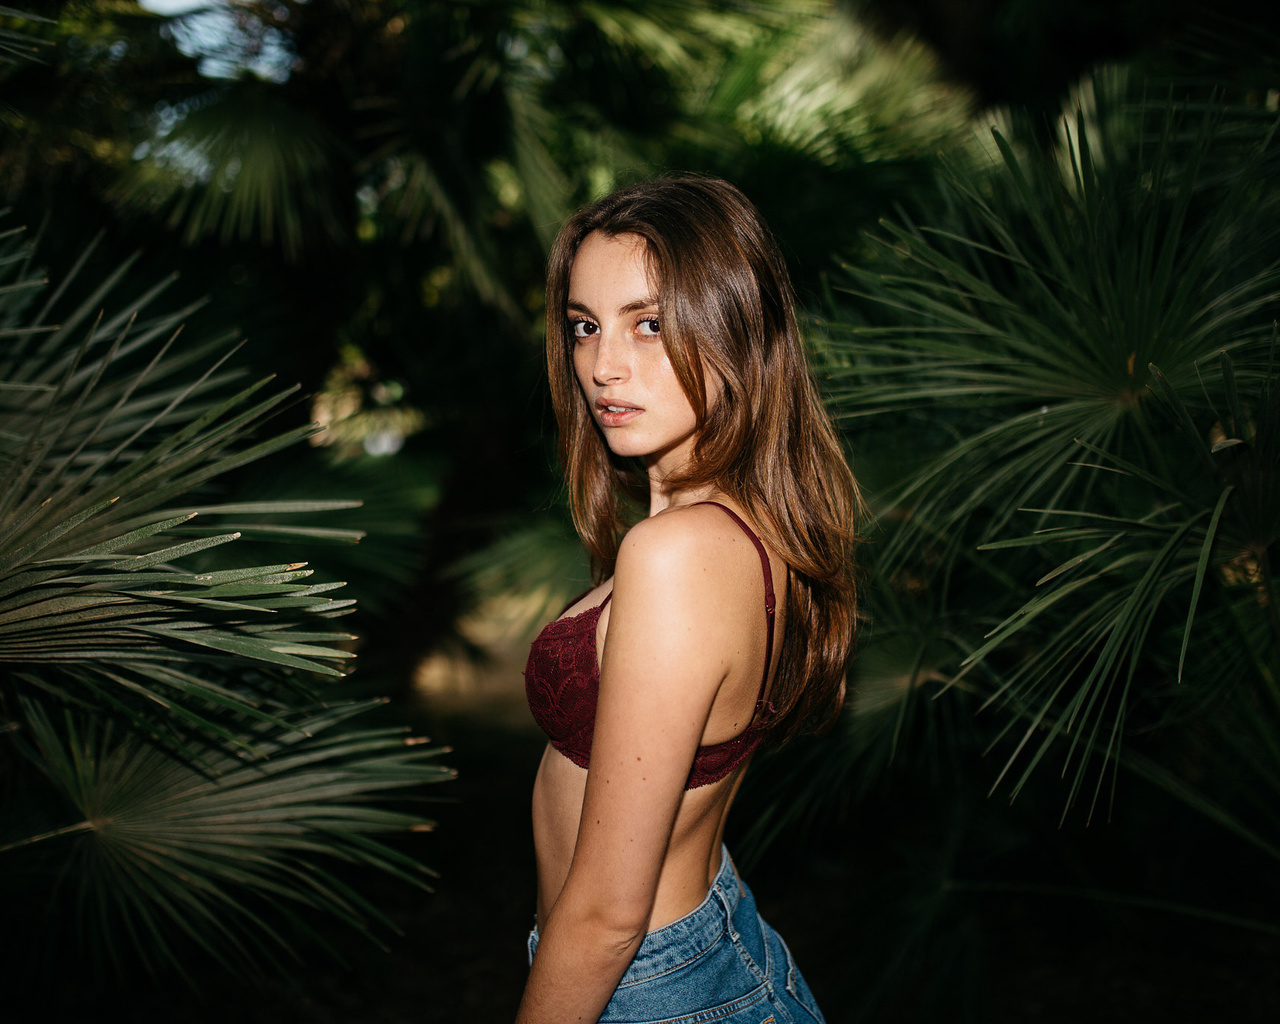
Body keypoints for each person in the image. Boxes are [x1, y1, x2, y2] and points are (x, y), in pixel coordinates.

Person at [518, 176, 861, 1024]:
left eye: (651, 323)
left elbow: (607, 913)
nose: (603, 364)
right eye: (585, 326)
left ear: (733, 327)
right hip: (682, 958)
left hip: (647, 983)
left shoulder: (680, 555)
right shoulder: (740, 529)